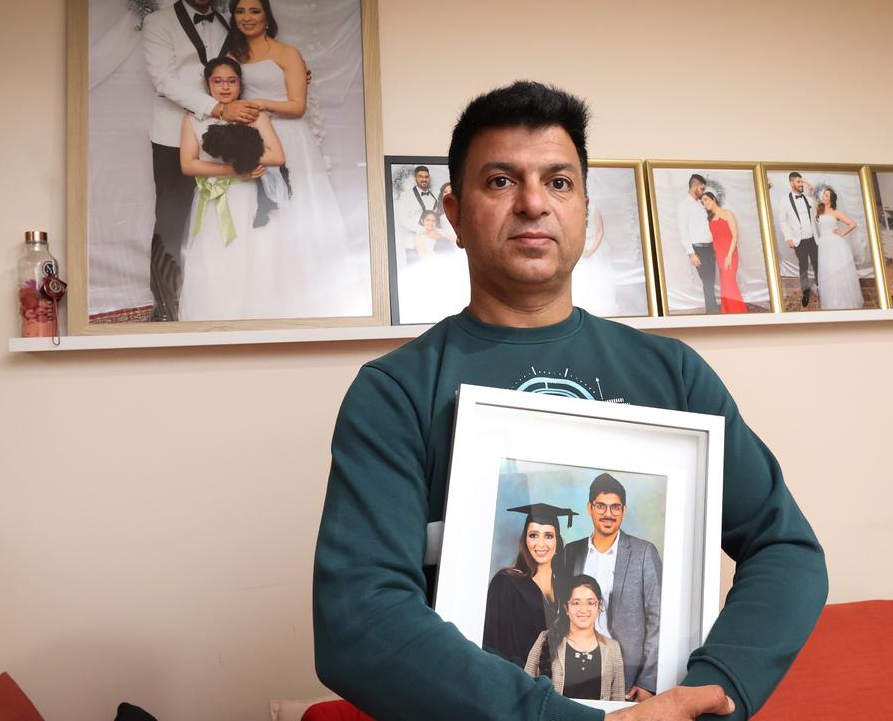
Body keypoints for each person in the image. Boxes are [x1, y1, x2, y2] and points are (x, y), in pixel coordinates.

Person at [312, 80, 827, 721]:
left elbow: (786, 548)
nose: (533, 203)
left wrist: (718, 683)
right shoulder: (395, 392)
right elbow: (359, 621)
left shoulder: (673, 375)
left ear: (584, 205)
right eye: (500, 181)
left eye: (558, 182)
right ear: (453, 211)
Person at [141, 0, 260, 320]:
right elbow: (163, 81)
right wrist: (218, 108)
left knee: (221, 219)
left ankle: (219, 301)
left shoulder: (230, 23)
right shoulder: (158, 22)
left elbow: (250, 65)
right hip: (174, 136)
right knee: (173, 220)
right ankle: (165, 306)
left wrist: (294, 77)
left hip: (228, 138)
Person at [225, 0, 351, 317]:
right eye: (240, 11)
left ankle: (299, 292)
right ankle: (259, 292)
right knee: (253, 210)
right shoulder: (231, 55)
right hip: (248, 138)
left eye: (254, 11)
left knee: (293, 211)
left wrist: (259, 104)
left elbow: (297, 106)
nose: (247, 17)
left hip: (289, 138)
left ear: (267, 16)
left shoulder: (287, 53)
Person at [177, 58, 285, 321]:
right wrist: (235, 171)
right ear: (207, 84)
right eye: (217, 81)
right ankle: (213, 316)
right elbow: (188, 165)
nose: (225, 87)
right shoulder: (194, 117)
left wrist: (247, 158)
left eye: (231, 80)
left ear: (240, 83)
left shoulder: (253, 114)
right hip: (213, 196)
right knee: (212, 255)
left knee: (248, 252)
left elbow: (277, 156)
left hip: (245, 196)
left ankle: (249, 314)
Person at [563, 474, 661, 701]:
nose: (608, 514)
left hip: (625, 673)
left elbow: (658, 619)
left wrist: (648, 682)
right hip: (575, 668)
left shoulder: (644, 553)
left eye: (615, 507)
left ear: (624, 511)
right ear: (590, 508)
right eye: (601, 506)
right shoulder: (571, 552)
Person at [484, 503, 576, 669]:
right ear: (525, 540)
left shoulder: (566, 588)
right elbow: (492, 644)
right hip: (518, 681)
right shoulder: (506, 583)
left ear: (557, 542)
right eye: (533, 535)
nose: (540, 544)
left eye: (548, 536)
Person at [525, 575, 626, 702]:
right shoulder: (545, 639)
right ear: (566, 608)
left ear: (599, 606)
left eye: (590, 603)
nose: (583, 610)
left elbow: (618, 702)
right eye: (576, 603)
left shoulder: (613, 648)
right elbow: (525, 689)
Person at [815, 188, 863, 310]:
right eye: (824, 194)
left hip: (835, 244)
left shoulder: (836, 212)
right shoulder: (819, 209)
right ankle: (831, 299)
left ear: (830, 199)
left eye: (826, 195)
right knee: (827, 272)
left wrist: (842, 233)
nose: (824, 196)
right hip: (823, 244)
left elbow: (852, 224)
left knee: (836, 271)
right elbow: (810, 200)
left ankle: (841, 300)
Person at [677, 174, 719, 313]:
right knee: (707, 280)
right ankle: (712, 312)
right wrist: (691, 253)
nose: (703, 191)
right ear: (695, 186)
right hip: (698, 249)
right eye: (701, 188)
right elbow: (683, 230)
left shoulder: (702, 202)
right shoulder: (683, 205)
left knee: (710, 280)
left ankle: (712, 309)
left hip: (710, 248)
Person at [701, 192, 747, 314]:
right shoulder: (710, 219)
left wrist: (729, 255)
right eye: (703, 202)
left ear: (714, 199)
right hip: (719, 256)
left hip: (730, 255)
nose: (705, 204)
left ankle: (738, 314)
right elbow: (715, 238)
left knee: (729, 283)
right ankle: (728, 312)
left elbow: (735, 236)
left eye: (706, 200)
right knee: (725, 285)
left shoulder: (728, 214)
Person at [779, 172, 819, 308]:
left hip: (813, 238)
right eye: (798, 182)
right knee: (803, 267)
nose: (801, 184)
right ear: (791, 183)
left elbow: (817, 213)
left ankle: (820, 287)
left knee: (817, 264)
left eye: (802, 182)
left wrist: (812, 193)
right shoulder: (784, 200)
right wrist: (788, 238)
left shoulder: (808, 198)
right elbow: (783, 221)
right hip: (799, 240)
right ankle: (806, 292)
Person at [571, 206, 619, 316]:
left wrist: (592, 249)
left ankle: (598, 305)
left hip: (593, 247)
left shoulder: (595, 209)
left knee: (597, 275)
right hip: (579, 246)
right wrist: (581, 248)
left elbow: (600, 230)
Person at [397, 166, 441, 259]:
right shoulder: (406, 195)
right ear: (415, 178)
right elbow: (402, 219)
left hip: (430, 244)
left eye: (426, 177)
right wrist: (423, 230)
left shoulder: (433, 197)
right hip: (412, 243)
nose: (424, 179)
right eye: (420, 176)